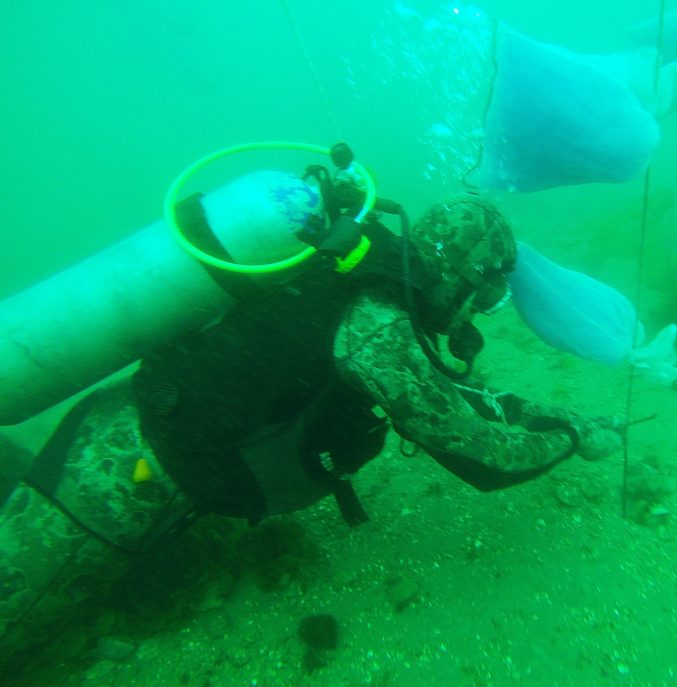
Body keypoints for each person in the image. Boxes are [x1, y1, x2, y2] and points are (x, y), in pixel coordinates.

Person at [0, 145, 622, 664]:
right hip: (113, 486)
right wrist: (567, 441)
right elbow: (482, 450)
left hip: (128, 432)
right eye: (484, 298)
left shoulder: (352, 266)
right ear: (465, 276)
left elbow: (452, 397)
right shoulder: (380, 327)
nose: (475, 316)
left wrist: (561, 414)